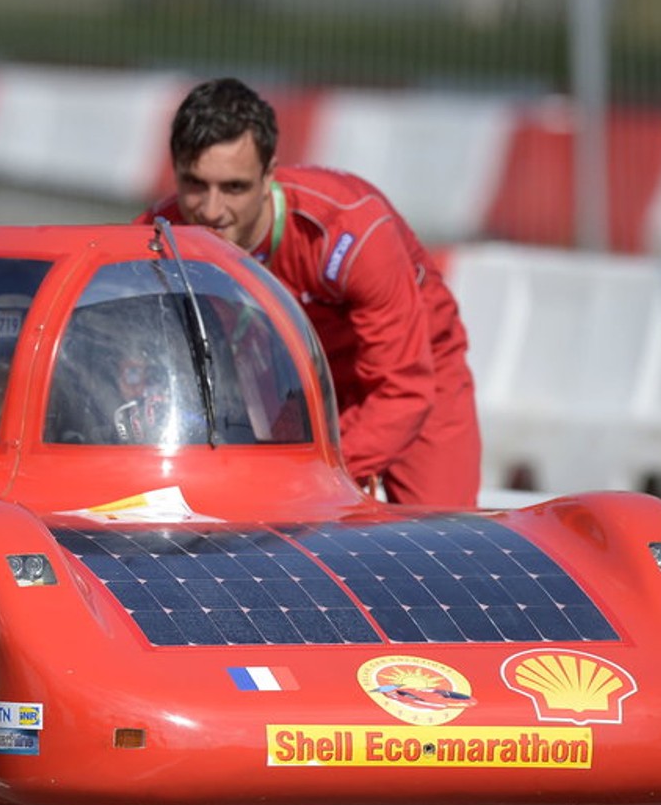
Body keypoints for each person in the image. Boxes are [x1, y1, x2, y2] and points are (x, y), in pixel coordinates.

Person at [140, 77, 481, 506]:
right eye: (194, 184)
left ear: (268, 175)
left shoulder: (347, 233)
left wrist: (316, 475)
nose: (210, 210)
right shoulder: (156, 235)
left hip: (414, 372)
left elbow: (403, 392)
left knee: (439, 532)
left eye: (234, 187)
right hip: (296, 381)